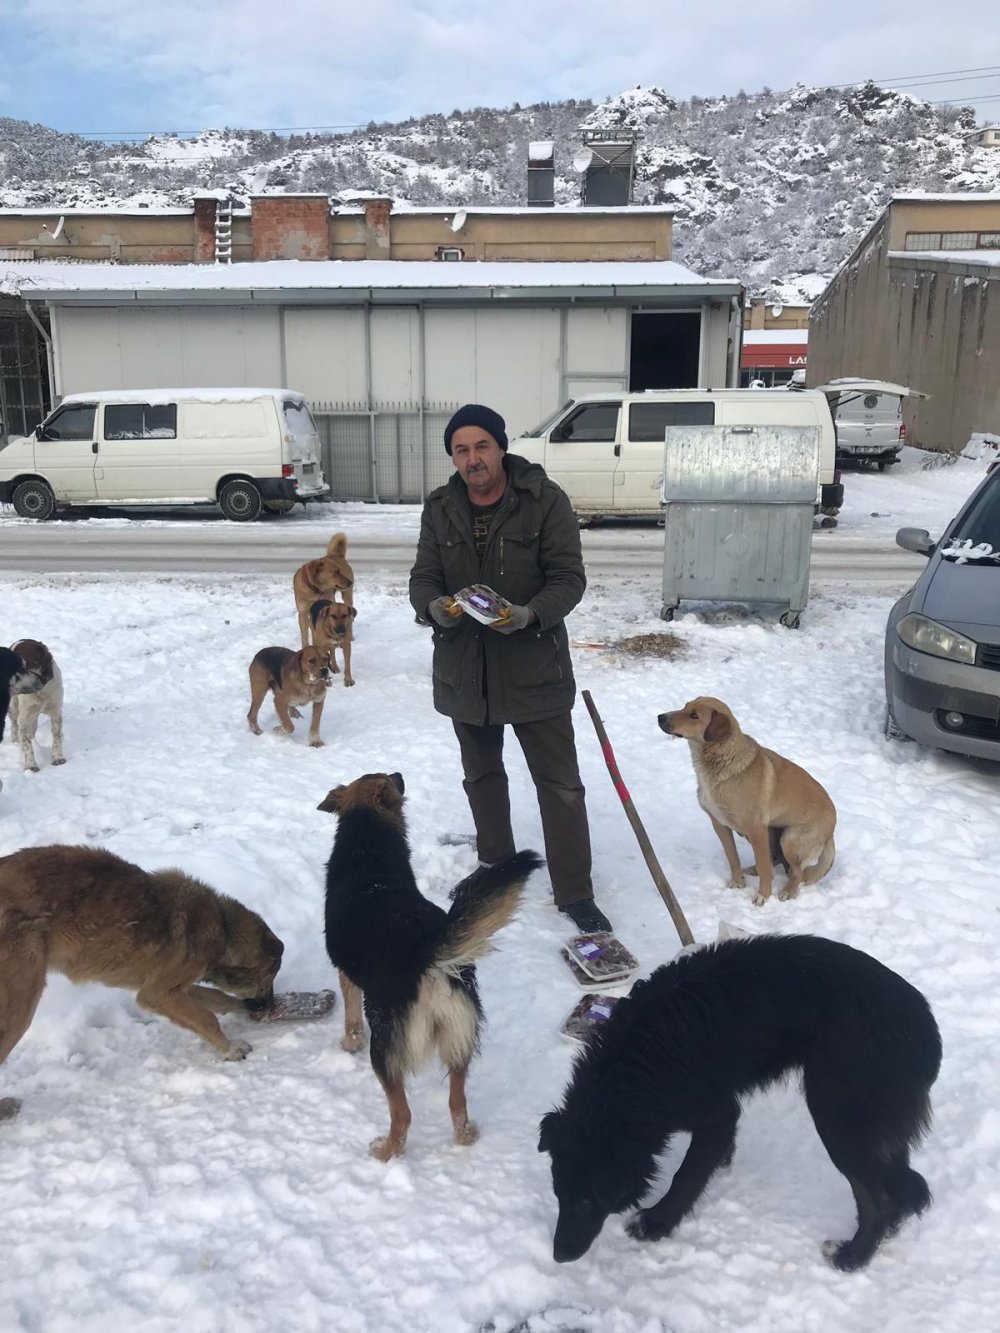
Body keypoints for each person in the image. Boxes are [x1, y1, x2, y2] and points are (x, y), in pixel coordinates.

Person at [408, 402, 612, 934]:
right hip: (465, 671)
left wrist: (530, 614)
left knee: (560, 785)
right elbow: (423, 576)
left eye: (482, 446)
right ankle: (495, 865)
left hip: (534, 668)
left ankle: (574, 891)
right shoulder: (440, 507)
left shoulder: (544, 500)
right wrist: (432, 606)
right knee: (481, 776)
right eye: (461, 450)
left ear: (501, 447)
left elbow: (568, 577)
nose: (472, 458)